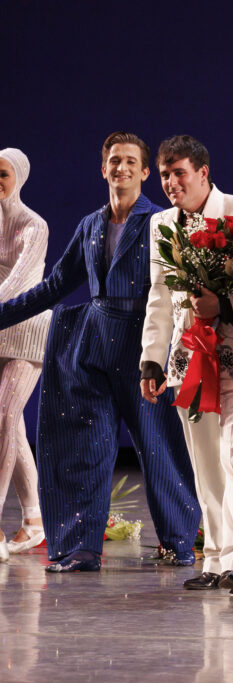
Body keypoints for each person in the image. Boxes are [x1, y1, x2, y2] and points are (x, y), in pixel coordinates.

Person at [0, 134, 201, 572]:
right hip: (92, 342)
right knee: (84, 447)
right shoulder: (91, 225)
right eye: (114, 160)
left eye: (131, 161)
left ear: (145, 172)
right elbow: (55, 286)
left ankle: (178, 542)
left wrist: (170, 354)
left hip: (142, 346)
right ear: (103, 168)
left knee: (159, 446)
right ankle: (81, 548)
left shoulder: (161, 221)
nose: (121, 168)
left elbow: (176, 293)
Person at [140, 134, 233, 592]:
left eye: (178, 172)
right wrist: (151, 359)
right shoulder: (161, 222)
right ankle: (215, 558)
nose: (170, 182)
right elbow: (160, 296)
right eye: (164, 174)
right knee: (205, 462)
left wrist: (223, 303)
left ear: (203, 172)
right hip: (189, 358)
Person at [0, 148, 50, 562]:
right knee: (9, 423)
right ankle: (34, 521)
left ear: (19, 177)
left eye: (3, 174)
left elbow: (17, 286)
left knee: (2, 414)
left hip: (26, 328)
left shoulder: (35, 225)